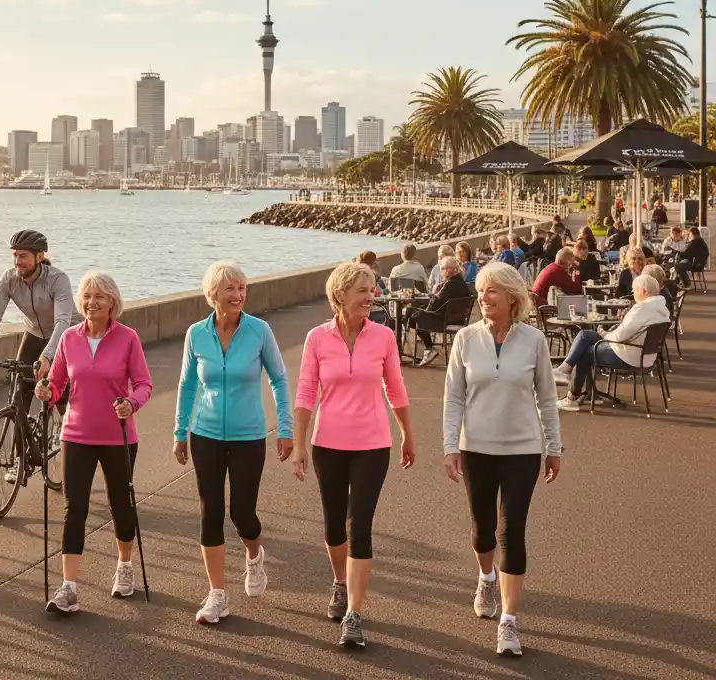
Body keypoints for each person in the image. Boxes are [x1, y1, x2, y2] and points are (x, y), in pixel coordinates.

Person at [292, 261, 414, 650]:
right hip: (327, 443)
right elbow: (306, 392)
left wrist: (407, 434)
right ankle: (340, 582)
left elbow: (395, 387)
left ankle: (354, 615)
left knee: (357, 526)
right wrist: (298, 443)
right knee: (333, 526)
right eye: (363, 290)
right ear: (339, 295)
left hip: (372, 443)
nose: (371, 296)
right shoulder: (316, 338)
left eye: (373, 289)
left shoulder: (382, 337)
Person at [443, 262, 561, 658]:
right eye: (481, 289)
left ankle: (509, 621)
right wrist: (449, 445)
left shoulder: (533, 341)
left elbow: (547, 397)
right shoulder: (464, 339)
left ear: (512, 296)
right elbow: (454, 397)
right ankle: (486, 576)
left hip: (522, 450)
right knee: (483, 529)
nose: (483, 296)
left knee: (513, 530)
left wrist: (554, 447)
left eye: (492, 290)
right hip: (475, 447)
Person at [174, 262, 294, 625]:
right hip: (205, 434)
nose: (239, 294)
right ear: (213, 294)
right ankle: (217, 595)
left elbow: (278, 379)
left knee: (242, 514)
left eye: (242, 288)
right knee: (210, 513)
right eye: (231, 289)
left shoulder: (259, 331)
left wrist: (285, 428)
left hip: (248, 436)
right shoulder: (196, 334)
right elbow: (186, 385)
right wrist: (181, 432)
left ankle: (254, 555)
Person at [35, 271, 152, 611]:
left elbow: (143, 383)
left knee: (120, 504)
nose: (90, 303)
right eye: (86, 296)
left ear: (113, 302)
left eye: (99, 296)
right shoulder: (70, 339)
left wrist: (132, 403)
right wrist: (47, 391)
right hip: (76, 434)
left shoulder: (128, 338)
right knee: (75, 509)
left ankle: (125, 567)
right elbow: (56, 383)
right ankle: (68, 588)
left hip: (118, 436)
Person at [0, 230, 74, 476]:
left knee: (62, 400)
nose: (17, 261)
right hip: (34, 335)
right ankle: (21, 459)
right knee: (19, 398)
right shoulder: (9, 279)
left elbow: (63, 322)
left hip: (64, 337)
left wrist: (48, 357)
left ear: (39, 257)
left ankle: (73, 448)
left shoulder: (57, 280)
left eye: (23, 256)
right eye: (14, 256)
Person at [555, 273, 670, 409]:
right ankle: (566, 369)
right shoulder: (662, 308)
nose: (633, 294)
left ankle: (572, 396)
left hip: (629, 355)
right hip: (645, 355)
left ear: (643, 291)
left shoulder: (642, 308)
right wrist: (607, 334)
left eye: (634, 291)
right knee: (584, 335)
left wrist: (604, 334)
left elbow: (620, 336)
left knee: (585, 353)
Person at [411, 256, 471, 367]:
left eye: (444, 268)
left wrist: (435, 293)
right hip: (457, 318)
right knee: (416, 313)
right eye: (442, 269)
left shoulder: (450, 284)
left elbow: (434, 306)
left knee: (413, 315)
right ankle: (428, 348)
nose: (442, 271)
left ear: (453, 270)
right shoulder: (461, 283)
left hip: (444, 320)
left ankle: (429, 348)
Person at [356, 251, 389, 325]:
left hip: (359, 313)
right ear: (373, 263)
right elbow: (386, 294)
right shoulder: (378, 279)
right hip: (377, 312)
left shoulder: (354, 279)